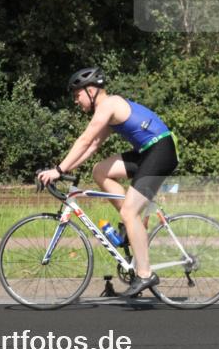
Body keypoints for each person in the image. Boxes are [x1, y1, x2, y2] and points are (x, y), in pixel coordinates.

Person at [36, 67, 178, 297]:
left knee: (129, 213)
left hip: (160, 151)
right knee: (100, 171)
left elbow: (85, 139)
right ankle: (132, 225)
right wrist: (64, 170)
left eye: (77, 95)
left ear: (91, 91)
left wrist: (58, 170)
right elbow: (92, 146)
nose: (76, 101)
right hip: (147, 152)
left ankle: (145, 274)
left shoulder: (109, 104)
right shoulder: (108, 112)